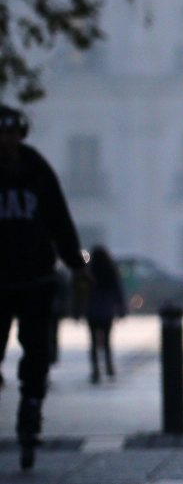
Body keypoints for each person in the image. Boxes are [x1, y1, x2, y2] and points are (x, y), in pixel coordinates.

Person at [0, 104, 89, 470]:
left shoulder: (38, 172)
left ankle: (31, 408)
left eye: (9, 134)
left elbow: (59, 220)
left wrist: (77, 265)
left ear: (20, 135)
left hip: (36, 279)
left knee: (36, 352)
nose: (4, 142)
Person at [84, 246, 126, 384]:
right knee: (107, 341)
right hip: (107, 311)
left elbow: (81, 293)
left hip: (92, 311)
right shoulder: (111, 272)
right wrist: (121, 308)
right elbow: (118, 292)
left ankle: (95, 370)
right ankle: (109, 367)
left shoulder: (89, 272)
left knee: (94, 342)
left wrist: (77, 310)